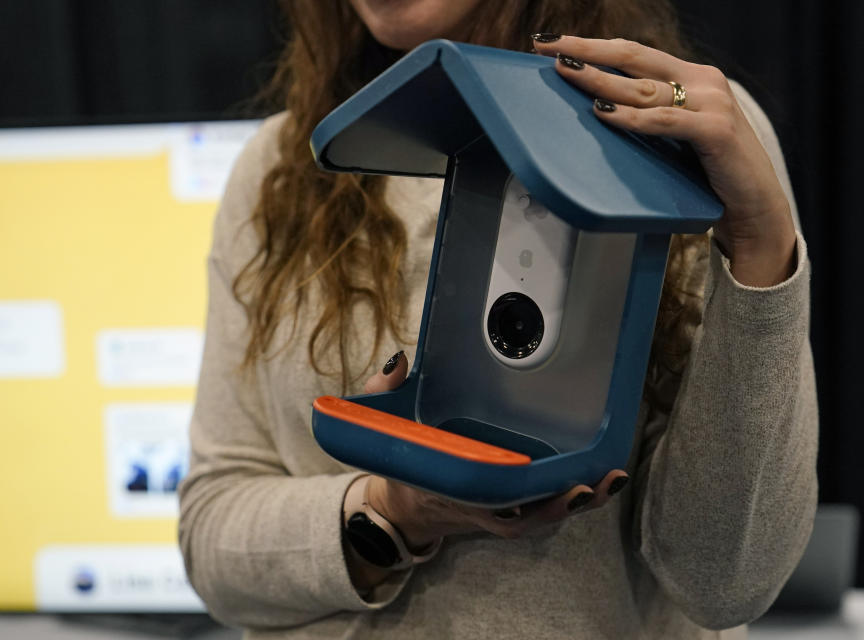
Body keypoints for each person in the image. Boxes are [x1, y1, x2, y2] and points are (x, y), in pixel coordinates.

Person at [177, 1, 818, 638]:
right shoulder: (279, 170)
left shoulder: (689, 131)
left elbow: (725, 582)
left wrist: (761, 245)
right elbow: (212, 539)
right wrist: (395, 514)